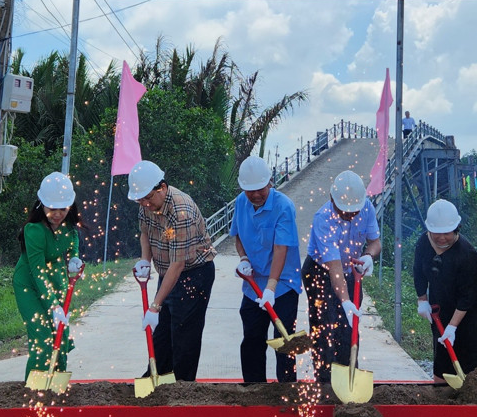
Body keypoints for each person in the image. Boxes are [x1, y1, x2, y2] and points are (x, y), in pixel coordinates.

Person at [129, 159, 216, 382]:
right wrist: (145, 261)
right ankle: (156, 380)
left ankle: (182, 387)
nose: (145, 203)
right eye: (140, 199)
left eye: (149, 197)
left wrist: (155, 306)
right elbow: (145, 233)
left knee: (183, 334)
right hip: (167, 272)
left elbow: (178, 264)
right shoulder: (146, 205)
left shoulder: (181, 211)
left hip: (194, 274)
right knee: (162, 335)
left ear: (163, 187)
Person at [303, 170, 381, 382]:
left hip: (351, 269)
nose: (349, 215)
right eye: (344, 211)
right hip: (320, 272)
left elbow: (375, 242)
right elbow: (334, 269)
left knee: (349, 329)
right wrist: (345, 301)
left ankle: (349, 379)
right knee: (325, 329)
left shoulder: (366, 208)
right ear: (332, 199)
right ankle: (325, 382)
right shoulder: (323, 219)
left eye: (353, 212)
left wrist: (368, 256)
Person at [229, 156, 302, 383]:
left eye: (260, 189)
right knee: (251, 338)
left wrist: (271, 287)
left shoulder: (283, 207)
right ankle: (254, 389)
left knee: (284, 340)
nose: (256, 195)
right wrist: (243, 258)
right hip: (253, 284)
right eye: (250, 191)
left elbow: (281, 248)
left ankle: (287, 390)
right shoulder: (241, 202)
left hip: (282, 285)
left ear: (270, 182)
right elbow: (238, 234)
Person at [13, 171, 83, 379]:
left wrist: (74, 258)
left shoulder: (68, 225)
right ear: (41, 204)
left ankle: (57, 382)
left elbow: (73, 241)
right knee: (42, 335)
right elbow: (38, 271)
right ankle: (34, 388)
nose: (58, 214)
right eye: (52, 208)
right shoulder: (33, 230)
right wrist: (53, 306)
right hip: (30, 284)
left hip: (57, 279)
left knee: (60, 333)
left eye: (63, 209)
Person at [413, 199, 477, 383]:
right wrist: (422, 299)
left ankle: (471, 391)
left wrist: (452, 327)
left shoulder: (467, 255)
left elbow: (467, 296)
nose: (441, 238)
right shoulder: (424, 242)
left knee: (468, 347)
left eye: (446, 233)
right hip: (440, 301)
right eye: (436, 233)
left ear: (456, 228)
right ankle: (439, 388)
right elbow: (418, 271)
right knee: (441, 349)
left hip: (470, 308)